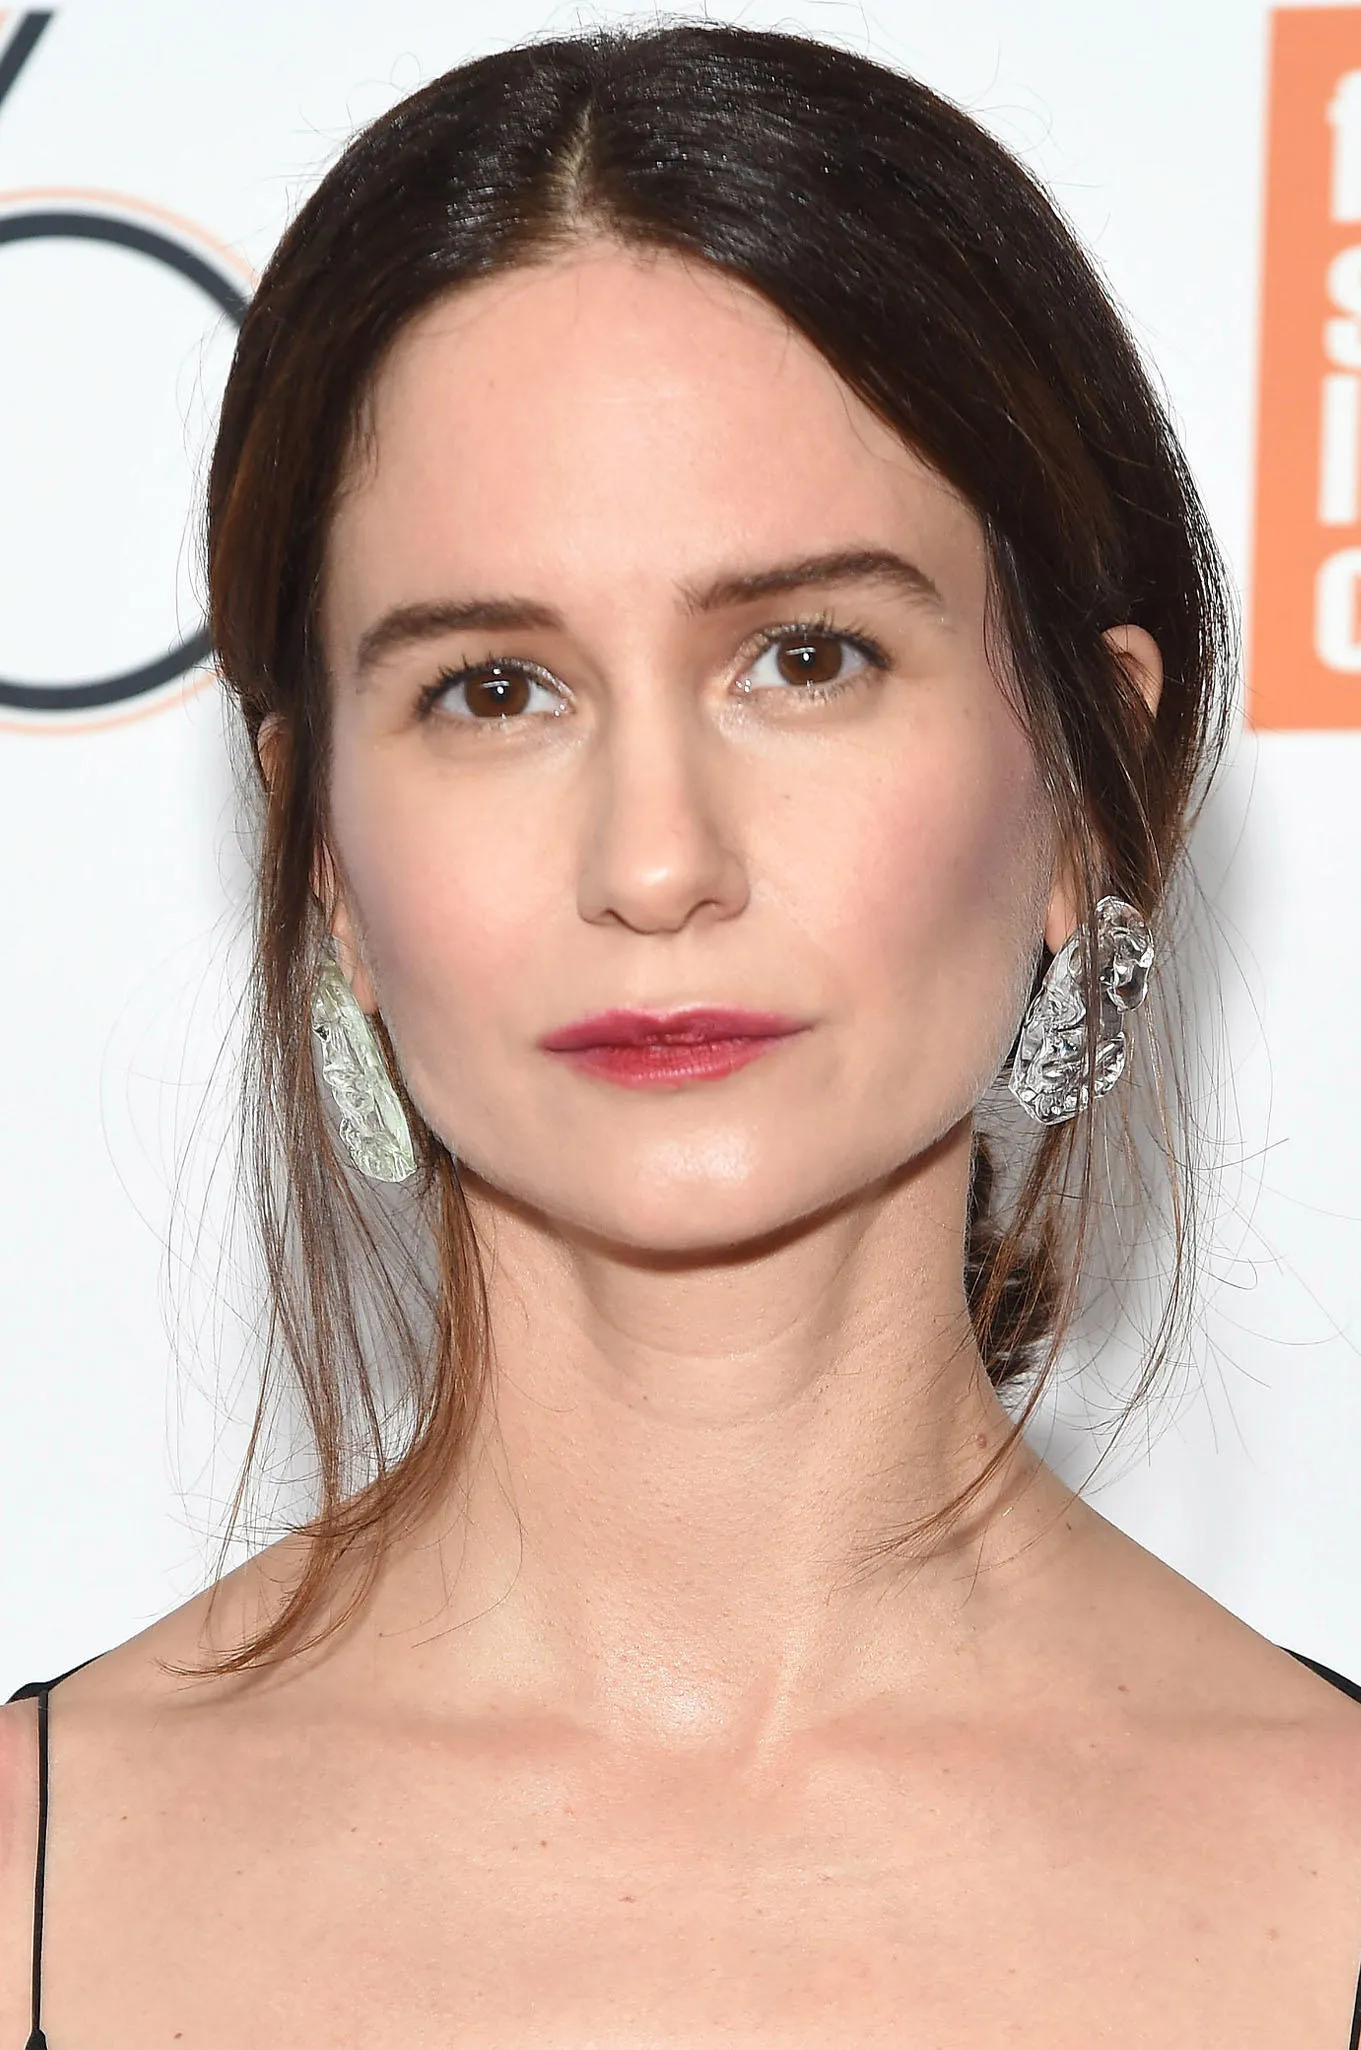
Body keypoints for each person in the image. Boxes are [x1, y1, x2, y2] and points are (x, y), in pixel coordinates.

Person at [4, 21, 1361, 2047]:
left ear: (1084, 784)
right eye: (492, 689)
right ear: (330, 859)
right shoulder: (30, 1874)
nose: (654, 863)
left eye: (804, 657)